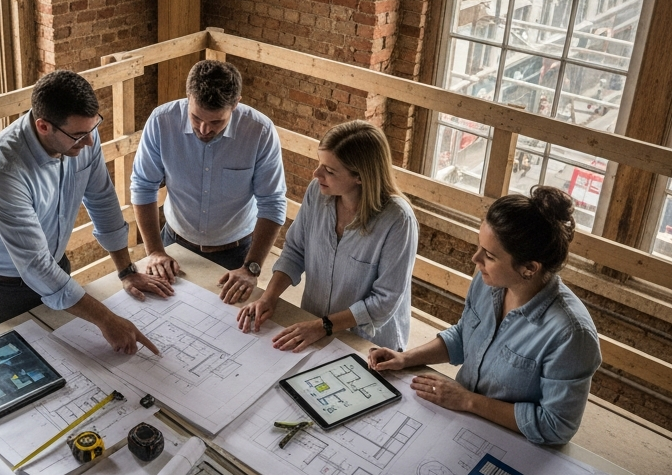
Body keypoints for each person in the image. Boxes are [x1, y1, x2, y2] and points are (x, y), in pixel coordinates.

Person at [368, 187, 601, 446]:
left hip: (511, 444)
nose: (475, 258)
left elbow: (556, 426)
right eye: (480, 247)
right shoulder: (488, 280)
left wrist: (468, 400)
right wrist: (405, 358)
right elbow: (465, 336)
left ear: (529, 268)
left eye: (489, 256)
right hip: (460, 421)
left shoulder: (571, 335)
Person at [0, 70, 172, 353]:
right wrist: (107, 319)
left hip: (55, 267)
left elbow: (101, 199)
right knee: (17, 372)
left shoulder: (83, 135)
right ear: (44, 126)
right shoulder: (3, 171)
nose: (89, 142)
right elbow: (34, 265)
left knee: (69, 363)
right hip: (2, 289)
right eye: (78, 135)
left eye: (92, 128)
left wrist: (126, 270)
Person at [236, 121, 417, 351]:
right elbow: (295, 251)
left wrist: (324, 326)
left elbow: (385, 301)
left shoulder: (398, 220)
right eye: (320, 164)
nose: (316, 173)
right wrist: (268, 297)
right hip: (315, 324)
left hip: (368, 344)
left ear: (360, 177)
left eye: (329, 171)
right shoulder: (317, 192)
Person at [131, 60, 287, 304]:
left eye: (216, 122)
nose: (203, 129)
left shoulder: (260, 132)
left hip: (236, 252)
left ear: (236, 104)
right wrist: (154, 251)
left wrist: (252, 268)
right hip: (173, 242)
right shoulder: (161, 121)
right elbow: (143, 186)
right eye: (196, 117)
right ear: (188, 97)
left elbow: (273, 203)